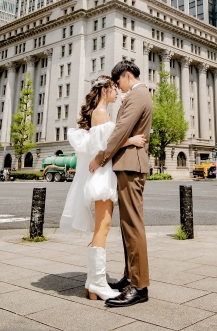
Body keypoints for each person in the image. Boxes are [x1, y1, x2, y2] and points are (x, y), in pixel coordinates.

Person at [61, 75, 146, 301]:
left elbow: (106, 142)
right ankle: (97, 282)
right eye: (113, 88)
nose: (117, 92)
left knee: (103, 226)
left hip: (103, 173)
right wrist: (131, 141)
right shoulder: (100, 113)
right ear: (103, 91)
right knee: (103, 227)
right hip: (102, 175)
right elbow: (105, 145)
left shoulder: (102, 113)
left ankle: (93, 282)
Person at [89, 60, 153, 308]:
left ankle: (139, 286)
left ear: (127, 76)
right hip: (129, 164)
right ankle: (130, 277)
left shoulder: (137, 95)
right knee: (128, 225)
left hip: (130, 165)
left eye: (119, 82)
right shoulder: (138, 95)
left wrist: (100, 157)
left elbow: (120, 130)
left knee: (133, 224)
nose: (119, 88)